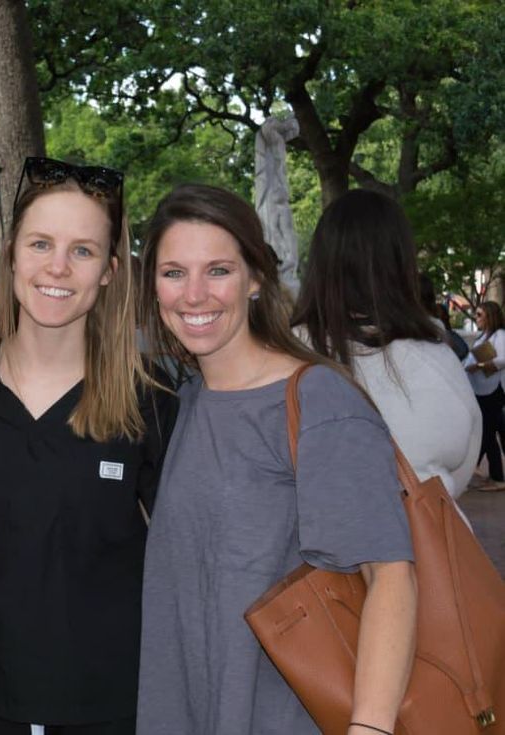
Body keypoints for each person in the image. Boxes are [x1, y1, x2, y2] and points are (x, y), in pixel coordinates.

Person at [136, 184, 416, 735]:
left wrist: (371, 729)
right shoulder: (182, 398)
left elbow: (391, 576)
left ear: (256, 278)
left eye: (218, 270)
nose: (194, 295)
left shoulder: (318, 401)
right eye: (173, 273)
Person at [0, 157, 176, 734]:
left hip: (109, 705)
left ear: (110, 271)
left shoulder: (151, 403)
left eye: (83, 251)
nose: (57, 267)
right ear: (11, 251)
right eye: (41, 243)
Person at [292, 189, 481, 502]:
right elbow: (462, 462)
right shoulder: (436, 356)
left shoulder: (285, 354)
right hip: (424, 540)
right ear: (400, 263)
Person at [463, 301, 505, 491]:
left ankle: (496, 477)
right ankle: (485, 472)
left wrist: (477, 366)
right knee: (486, 432)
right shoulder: (483, 337)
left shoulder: (500, 336)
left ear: (490, 316)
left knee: (487, 433)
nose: (476, 318)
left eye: (479, 315)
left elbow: (502, 360)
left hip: (493, 390)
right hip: (481, 390)